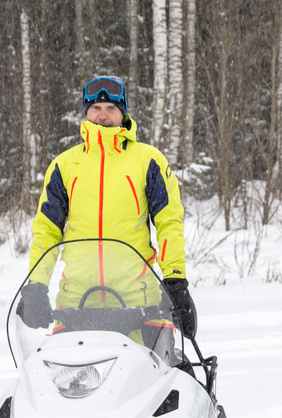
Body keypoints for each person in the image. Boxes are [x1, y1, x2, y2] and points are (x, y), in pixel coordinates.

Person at [19, 75, 196, 340]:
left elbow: (169, 223)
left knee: (163, 378)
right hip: (75, 308)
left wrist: (175, 281)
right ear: (86, 112)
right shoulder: (64, 166)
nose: (103, 116)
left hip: (141, 309)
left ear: (122, 113)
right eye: (96, 109)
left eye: (111, 109)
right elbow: (47, 232)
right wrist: (35, 286)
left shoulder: (148, 160)